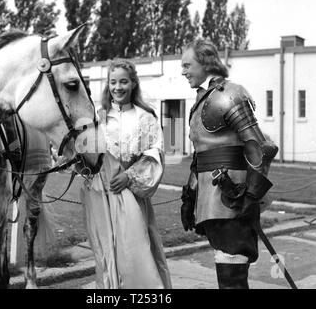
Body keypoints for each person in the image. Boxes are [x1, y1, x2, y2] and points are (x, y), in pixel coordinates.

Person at [180, 39, 278, 289]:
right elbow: (200, 156)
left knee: (232, 275)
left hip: (232, 197)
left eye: (187, 65)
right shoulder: (204, 99)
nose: (183, 71)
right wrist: (189, 196)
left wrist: (251, 196)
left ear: (205, 63)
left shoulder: (229, 94)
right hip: (212, 199)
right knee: (225, 269)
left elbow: (259, 147)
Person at [80, 59, 172, 289]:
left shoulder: (145, 117)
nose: (118, 87)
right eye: (113, 82)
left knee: (135, 250)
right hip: (100, 195)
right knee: (105, 252)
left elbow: (155, 157)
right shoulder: (97, 118)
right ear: (107, 85)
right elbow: (84, 156)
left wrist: (129, 176)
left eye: (123, 82)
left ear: (133, 84)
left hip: (130, 194)